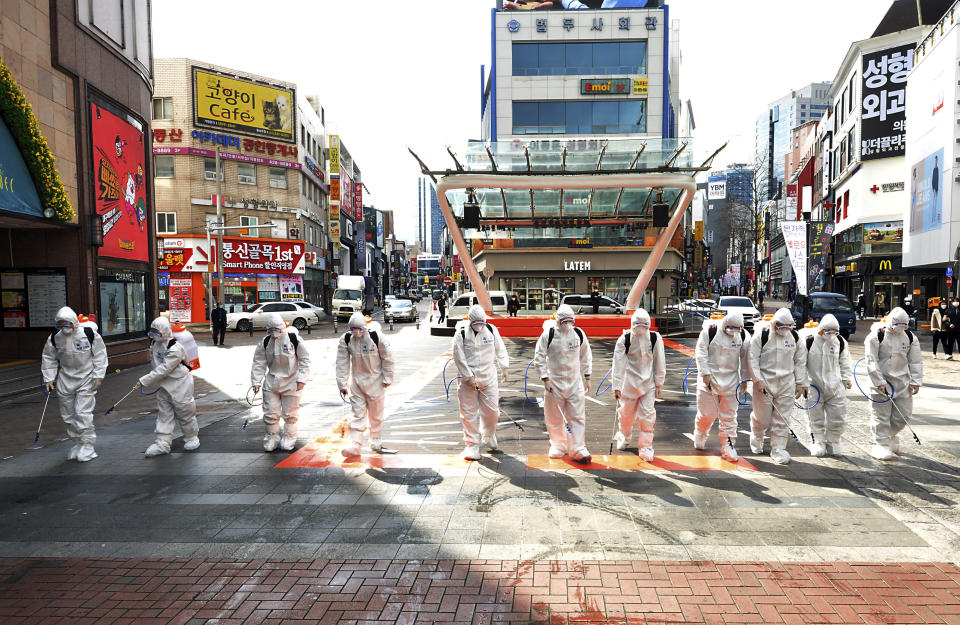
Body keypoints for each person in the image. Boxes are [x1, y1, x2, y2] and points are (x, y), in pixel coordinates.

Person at [40, 306, 108, 462]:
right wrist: (49, 378)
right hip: (65, 379)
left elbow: (100, 355)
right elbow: (49, 358)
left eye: (67, 324)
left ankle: (87, 445)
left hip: (86, 378)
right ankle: (77, 442)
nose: (64, 328)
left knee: (82, 413)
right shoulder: (55, 338)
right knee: (68, 415)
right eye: (60, 324)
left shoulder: (89, 335)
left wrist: (98, 376)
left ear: (74, 322)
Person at [533, 304, 593, 462]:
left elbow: (586, 355)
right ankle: (558, 445)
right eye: (564, 321)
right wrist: (545, 378)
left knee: (578, 417)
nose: (567, 324)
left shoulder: (578, 334)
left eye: (570, 321)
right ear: (558, 320)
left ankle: (578, 448)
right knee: (554, 417)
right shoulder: (549, 335)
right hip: (554, 383)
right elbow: (539, 357)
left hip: (575, 382)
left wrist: (587, 376)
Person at [747, 308, 807, 464]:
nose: (784, 329)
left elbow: (800, 361)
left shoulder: (795, 337)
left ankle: (778, 448)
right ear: (774, 324)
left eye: (788, 326)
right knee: (763, 418)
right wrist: (758, 380)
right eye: (781, 326)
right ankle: (757, 436)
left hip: (786, 382)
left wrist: (800, 382)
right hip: (765, 382)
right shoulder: (762, 335)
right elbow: (752, 358)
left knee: (782, 418)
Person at [864, 307, 923, 460]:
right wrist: (878, 381)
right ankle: (881, 443)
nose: (900, 328)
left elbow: (915, 361)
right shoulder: (876, 336)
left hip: (902, 383)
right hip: (881, 384)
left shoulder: (909, 337)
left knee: (903, 415)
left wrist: (916, 381)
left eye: (904, 325)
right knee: (880, 415)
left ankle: (890, 436)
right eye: (898, 325)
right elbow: (871, 360)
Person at [452, 305, 509, 460]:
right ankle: (471, 445)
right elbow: (458, 356)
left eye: (481, 322)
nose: (479, 325)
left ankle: (489, 433)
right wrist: (469, 377)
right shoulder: (461, 333)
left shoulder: (491, 330)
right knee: (468, 413)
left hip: (489, 377)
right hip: (467, 381)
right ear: (470, 321)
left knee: (492, 411)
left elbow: (500, 349)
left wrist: (504, 367)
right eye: (476, 322)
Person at [137, 317, 200, 457]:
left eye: (157, 331)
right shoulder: (155, 344)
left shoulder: (175, 348)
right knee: (164, 414)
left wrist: (145, 380)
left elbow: (165, 368)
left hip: (180, 384)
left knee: (185, 412)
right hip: (164, 384)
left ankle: (191, 437)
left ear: (165, 331)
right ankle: (162, 443)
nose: (154, 334)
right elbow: (156, 366)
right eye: (152, 331)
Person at [693, 311, 750, 462]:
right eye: (731, 327)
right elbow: (700, 352)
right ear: (725, 324)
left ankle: (728, 446)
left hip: (731, 382)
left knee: (729, 417)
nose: (734, 331)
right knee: (707, 413)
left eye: (737, 328)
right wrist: (705, 373)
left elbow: (745, 359)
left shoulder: (743, 336)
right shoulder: (710, 331)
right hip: (709, 381)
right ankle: (700, 432)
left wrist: (745, 379)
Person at [336, 312, 395, 457]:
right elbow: (341, 362)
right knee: (357, 414)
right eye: (353, 329)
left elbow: (388, 358)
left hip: (375, 381)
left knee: (376, 415)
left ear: (364, 327)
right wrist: (342, 383)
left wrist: (387, 378)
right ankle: (355, 444)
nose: (356, 332)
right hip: (356, 383)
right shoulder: (346, 339)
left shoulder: (376, 337)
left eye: (359, 329)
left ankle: (376, 440)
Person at [251, 313, 311, 452]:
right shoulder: (266, 342)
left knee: (290, 414)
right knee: (270, 412)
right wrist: (256, 381)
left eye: (276, 329)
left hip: (292, 382)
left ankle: (290, 437)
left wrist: (302, 379)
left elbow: (305, 360)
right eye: (271, 330)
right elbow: (259, 362)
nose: (274, 333)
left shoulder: (293, 339)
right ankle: (272, 437)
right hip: (272, 382)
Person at [611, 309, 665, 462]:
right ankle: (624, 434)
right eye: (637, 326)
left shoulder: (654, 338)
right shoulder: (625, 339)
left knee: (648, 417)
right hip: (629, 384)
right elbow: (618, 363)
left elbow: (660, 361)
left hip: (648, 384)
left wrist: (659, 383)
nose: (641, 330)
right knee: (626, 416)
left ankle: (646, 447)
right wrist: (616, 386)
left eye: (644, 326)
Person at [803, 314, 853, 457]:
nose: (831, 334)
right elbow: (801, 363)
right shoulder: (810, 342)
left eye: (834, 331)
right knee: (814, 416)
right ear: (821, 329)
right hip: (814, 385)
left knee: (838, 415)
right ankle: (817, 441)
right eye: (828, 331)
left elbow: (844, 361)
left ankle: (833, 441)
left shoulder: (840, 342)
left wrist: (846, 378)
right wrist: (802, 382)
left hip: (835, 386)